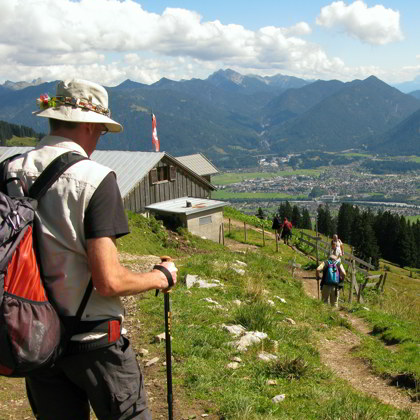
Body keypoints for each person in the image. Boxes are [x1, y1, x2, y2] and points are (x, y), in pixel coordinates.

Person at [5, 79, 177, 420]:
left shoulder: (8, 170)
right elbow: (108, 282)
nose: (99, 139)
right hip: (93, 341)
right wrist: (161, 277)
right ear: (88, 124)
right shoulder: (96, 179)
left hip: (32, 334)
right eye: (100, 131)